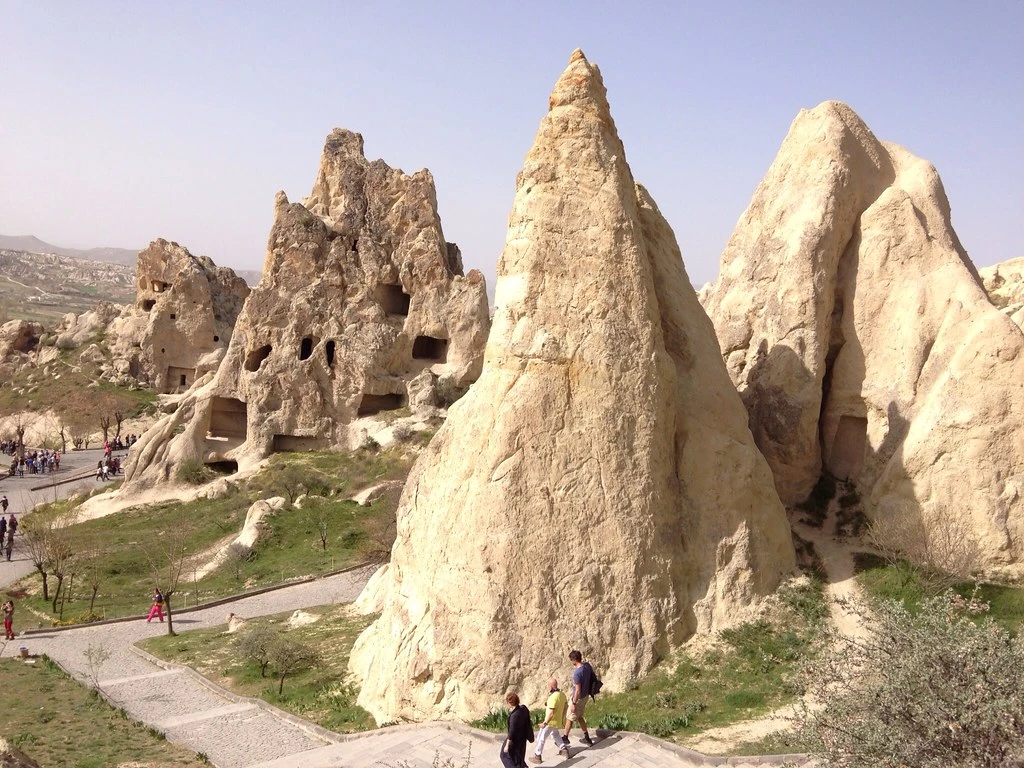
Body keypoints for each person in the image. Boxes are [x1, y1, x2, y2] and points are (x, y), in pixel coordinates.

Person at [530, 678, 569, 763]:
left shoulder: (552, 697)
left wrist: (545, 723)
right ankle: (564, 749)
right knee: (555, 735)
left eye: (548, 686)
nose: (547, 687)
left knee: (541, 738)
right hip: (557, 721)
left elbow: (551, 713)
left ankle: (537, 756)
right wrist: (561, 717)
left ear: (551, 686)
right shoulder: (562, 695)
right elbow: (566, 707)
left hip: (550, 722)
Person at [562, 650, 595, 747]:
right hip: (585, 696)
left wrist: (574, 703)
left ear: (574, 660)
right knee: (579, 717)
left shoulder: (577, 673)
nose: (571, 662)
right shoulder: (587, 666)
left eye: (571, 660)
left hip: (578, 698)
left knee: (569, 718)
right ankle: (587, 737)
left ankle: (565, 738)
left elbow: (577, 690)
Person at [501, 691, 534, 768]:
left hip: (514, 740)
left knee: (504, 756)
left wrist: (507, 745)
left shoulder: (514, 716)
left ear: (510, 703)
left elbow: (512, 732)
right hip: (522, 738)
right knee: (519, 757)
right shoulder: (524, 708)